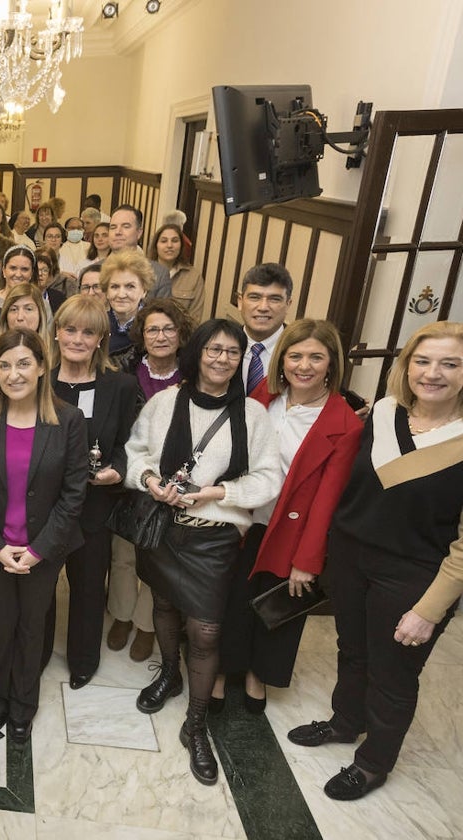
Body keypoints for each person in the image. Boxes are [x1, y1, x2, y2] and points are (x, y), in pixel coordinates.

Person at [287, 321, 463, 800]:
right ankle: (345, 723)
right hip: (351, 559)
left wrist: (429, 611)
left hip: (413, 574)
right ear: (407, 367)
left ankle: (373, 763)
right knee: (353, 650)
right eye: (423, 362)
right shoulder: (383, 413)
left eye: (450, 364)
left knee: (393, 673)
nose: (433, 374)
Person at [125, 318, 281, 785]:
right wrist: (151, 481)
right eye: (213, 349)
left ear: (241, 361)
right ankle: (169, 673)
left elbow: (269, 478)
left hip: (214, 538)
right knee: (165, 605)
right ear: (197, 353)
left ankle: (195, 724)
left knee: (208, 629)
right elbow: (135, 453)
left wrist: (217, 493)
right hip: (165, 529)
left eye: (232, 353)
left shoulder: (252, 415)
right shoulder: (164, 402)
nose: (222, 359)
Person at [215, 319, 362, 714]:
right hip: (245, 517)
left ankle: (257, 675)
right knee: (232, 598)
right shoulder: (265, 395)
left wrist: (307, 561)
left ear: (331, 364)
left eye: (316, 357)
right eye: (295, 355)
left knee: (277, 606)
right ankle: (223, 669)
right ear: (283, 360)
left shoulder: (344, 423)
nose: (304, 365)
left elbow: (328, 501)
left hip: (291, 530)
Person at [0, 328, 88, 742]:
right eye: (4, 365)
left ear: (42, 366)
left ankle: (23, 704)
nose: (14, 374)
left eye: (23, 363)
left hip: (42, 550)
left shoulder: (68, 420)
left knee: (32, 629)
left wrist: (38, 550)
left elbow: (73, 494)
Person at [48, 297, 142, 688]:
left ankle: (83, 659)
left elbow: (128, 441)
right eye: (70, 329)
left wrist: (117, 469)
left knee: (88, 587)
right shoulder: (40, 380)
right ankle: (36, 653)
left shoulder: (120, 385)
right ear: (56, 333)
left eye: (88, 332)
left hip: (95, 504)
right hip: (46, 507)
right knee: (42, 589)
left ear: (101, 338)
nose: (77, 339)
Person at [106, 299, 194, 660]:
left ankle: (146, 625)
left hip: (175, 480)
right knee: (123, 555)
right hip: (130, 474)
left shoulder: (194, 372)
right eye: (153, 329)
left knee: (158, 559)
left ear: (180, 333)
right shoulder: (122, 368)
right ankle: (122, 616)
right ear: (142, 334)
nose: (161, 336)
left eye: (168, 328)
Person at [238, 263, 292, 394]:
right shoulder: (220, 345)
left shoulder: (299, 352)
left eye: (274, 299)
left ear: (288, 305)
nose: (263, 307)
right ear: (240, 302)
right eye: (254, 297)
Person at [102, 251, 154, 370]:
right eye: (114, 287)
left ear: (144, 291)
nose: (121, 294)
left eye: (130, 286)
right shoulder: (99, 324)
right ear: (106, 292)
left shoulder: (153, 327)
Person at [108, 205, 171, 299]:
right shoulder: (92, 272)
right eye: (113, 227)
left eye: (126, 226)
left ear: (139, 232)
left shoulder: (159, 274)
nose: (118, 232)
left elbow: (163, 311)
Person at [149, 223, 206, 319]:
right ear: (156, 245)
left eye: (175, 241)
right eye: (164, 241)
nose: (169, 245)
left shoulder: (194, 277)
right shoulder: (143, 272)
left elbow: (195, 318)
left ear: (181, 246)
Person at [56, 216, 92, 282]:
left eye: (79, 228)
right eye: (72, 228)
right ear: (66, 231)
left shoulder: (90, 247)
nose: (76, 230)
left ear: (83, 230)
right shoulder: (59, 249)